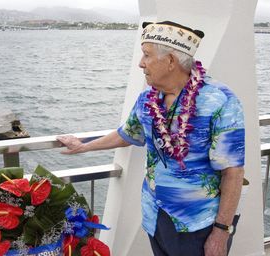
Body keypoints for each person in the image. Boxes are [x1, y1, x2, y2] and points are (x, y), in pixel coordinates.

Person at [57, 21, 245, 256]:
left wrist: (221, 231)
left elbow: (233, 172)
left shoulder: (220, 101)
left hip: (199, 223)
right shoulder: (148, 97)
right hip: (155, 215)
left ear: (170, 61)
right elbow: (127, 133)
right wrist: (82, 146)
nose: (140, 63)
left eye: (146, 55)